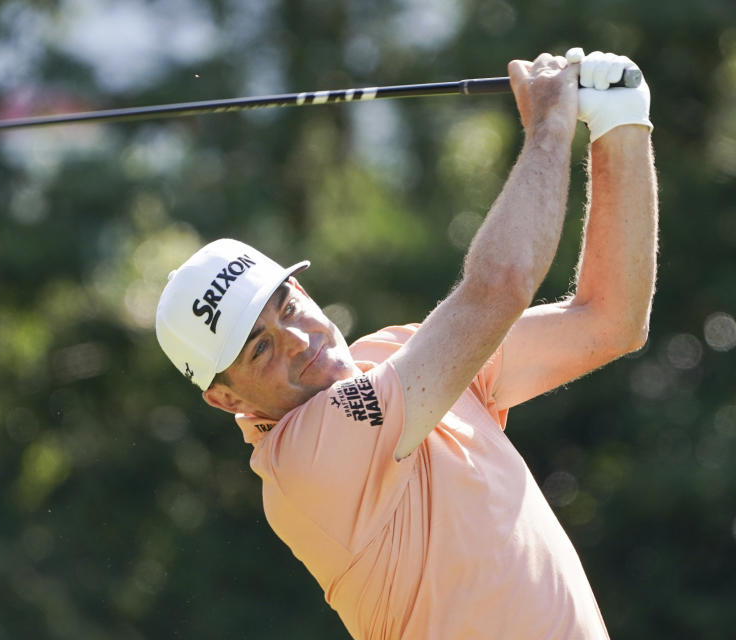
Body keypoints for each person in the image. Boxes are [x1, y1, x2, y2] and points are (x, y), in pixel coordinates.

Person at [155, 48, 657, 639]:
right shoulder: (305, 460)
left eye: (288, 305)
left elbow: (610, 321)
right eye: (258, 347)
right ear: (226, 400)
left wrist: (620, 124)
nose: (296, 339)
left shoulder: (391, 358)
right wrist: (548, 126)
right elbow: (498, 288)